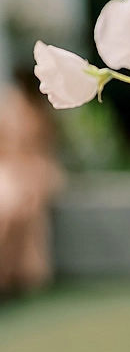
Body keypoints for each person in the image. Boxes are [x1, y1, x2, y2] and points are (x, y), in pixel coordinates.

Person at [0, 81, 63, 294]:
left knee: (18, 207)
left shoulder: (42, 113)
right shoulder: (10, 109)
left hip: (31, 172)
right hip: (10, 171)